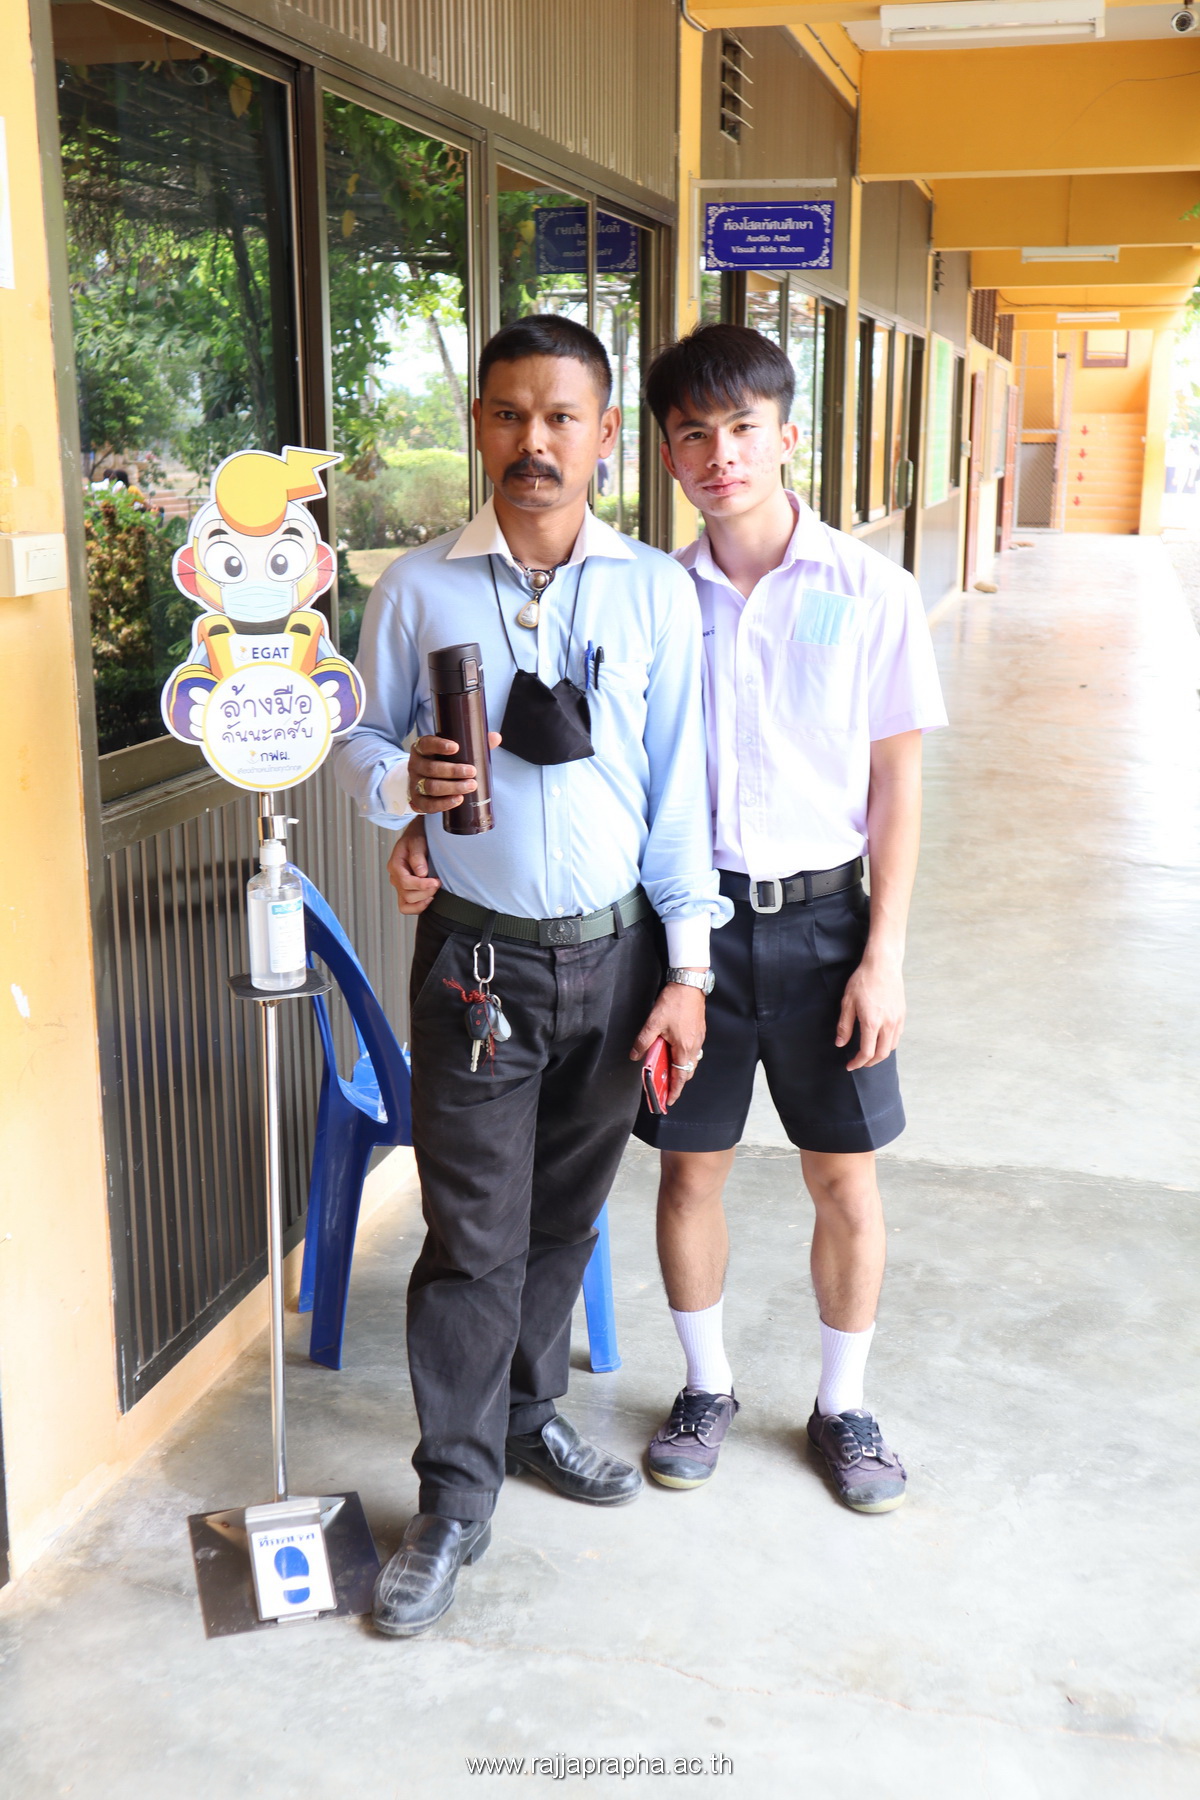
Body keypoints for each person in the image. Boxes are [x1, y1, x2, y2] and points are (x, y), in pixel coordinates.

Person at [335, 315, 727, 1637]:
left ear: (606, 436)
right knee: (471, 1240)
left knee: (564, 1218)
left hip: (616, 960)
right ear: (479, 427)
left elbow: (680, 798)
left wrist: (687, 970)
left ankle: (526, 1412)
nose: (534, 442)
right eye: (509, 414)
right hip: (477, 965)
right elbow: (363, 741)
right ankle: (454, 1498)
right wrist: (402, 787)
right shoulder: (417, 589)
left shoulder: (655, 594)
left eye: (562, 417)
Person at [633, 323, 947, 1512]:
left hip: (825, 930)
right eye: (693, 435)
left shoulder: (871, 592)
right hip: (692, 937)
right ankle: (705, 1388)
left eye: (742, 428)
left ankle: (843, 1406)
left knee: (844, 1183)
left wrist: (885, 955)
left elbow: (897, 785)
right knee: (689, 1176)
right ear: (669, 454)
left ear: (787, 434)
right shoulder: (659, 599)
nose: (720, 454)